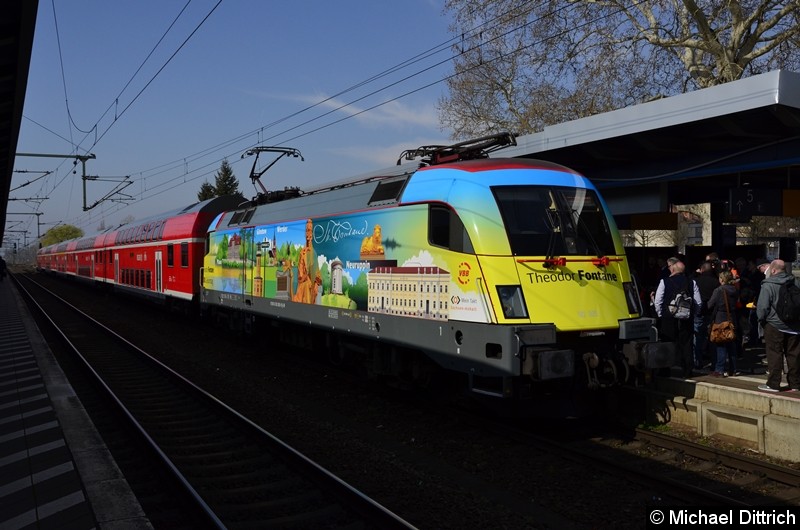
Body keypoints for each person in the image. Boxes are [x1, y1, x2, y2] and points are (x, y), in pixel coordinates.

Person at [755, 259, 800, 392]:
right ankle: (795, 384)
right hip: (794, 326)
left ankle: (773, 384)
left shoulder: (768, 284)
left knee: (775, 354)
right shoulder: (795, 282)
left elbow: (762, 307)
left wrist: (761, 320)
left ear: (773, 270)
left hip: (774, 325)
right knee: (794, 355)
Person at [655, 259, 702, 378]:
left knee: (667, 343)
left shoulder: (664, 282)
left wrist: (661, 314)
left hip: (668, 317)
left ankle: (665, 370)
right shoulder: (692, 282)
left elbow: (658, 301)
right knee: (686, 344)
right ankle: (687, 370)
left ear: (673, 269)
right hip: (686, 318)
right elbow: (698, 302)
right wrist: (693, 313)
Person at [707, 270, 739, 377]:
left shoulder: (719, 290)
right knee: (731, 344)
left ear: (722, 279)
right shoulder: (735, 289)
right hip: (732, 318)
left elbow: (710, 304)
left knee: (720, 343)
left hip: (720, 318)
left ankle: (719, 369)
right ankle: (733, 369)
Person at [693, 260, 720, 369]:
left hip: (699, 313)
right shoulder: (716, 282)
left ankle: (697, 362)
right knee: (712, 339)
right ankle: (714, 364)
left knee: (697, 338)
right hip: (712, 313)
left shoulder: (695, 281)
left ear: (702, 269)